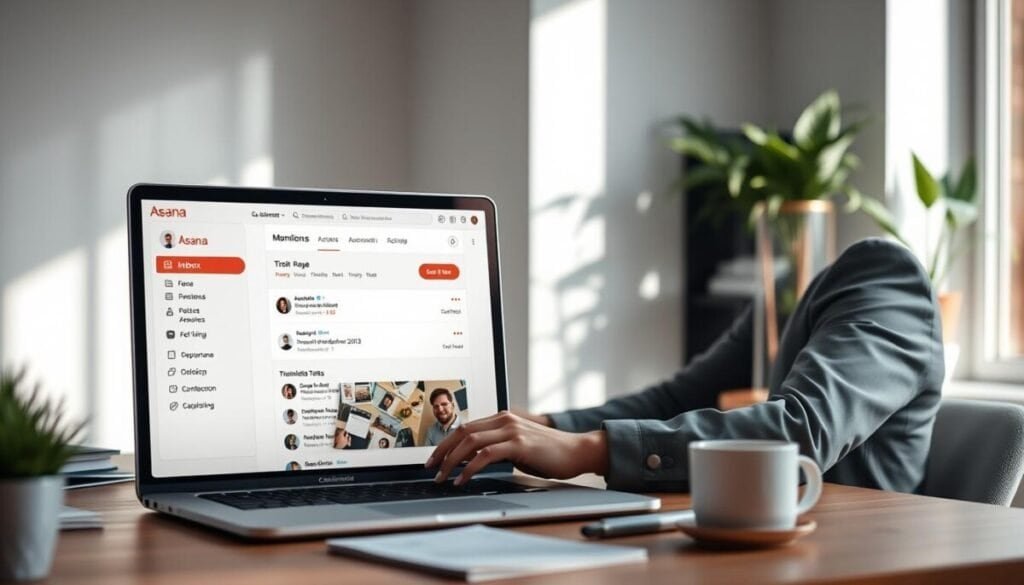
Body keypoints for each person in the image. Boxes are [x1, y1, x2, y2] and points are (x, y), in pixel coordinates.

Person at [427, 239, 944, 493]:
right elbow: (680, 398)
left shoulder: (883, 276)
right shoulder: (790, 301)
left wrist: (590, 449)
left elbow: (803, 429)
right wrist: (549, 428)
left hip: (855, 557)